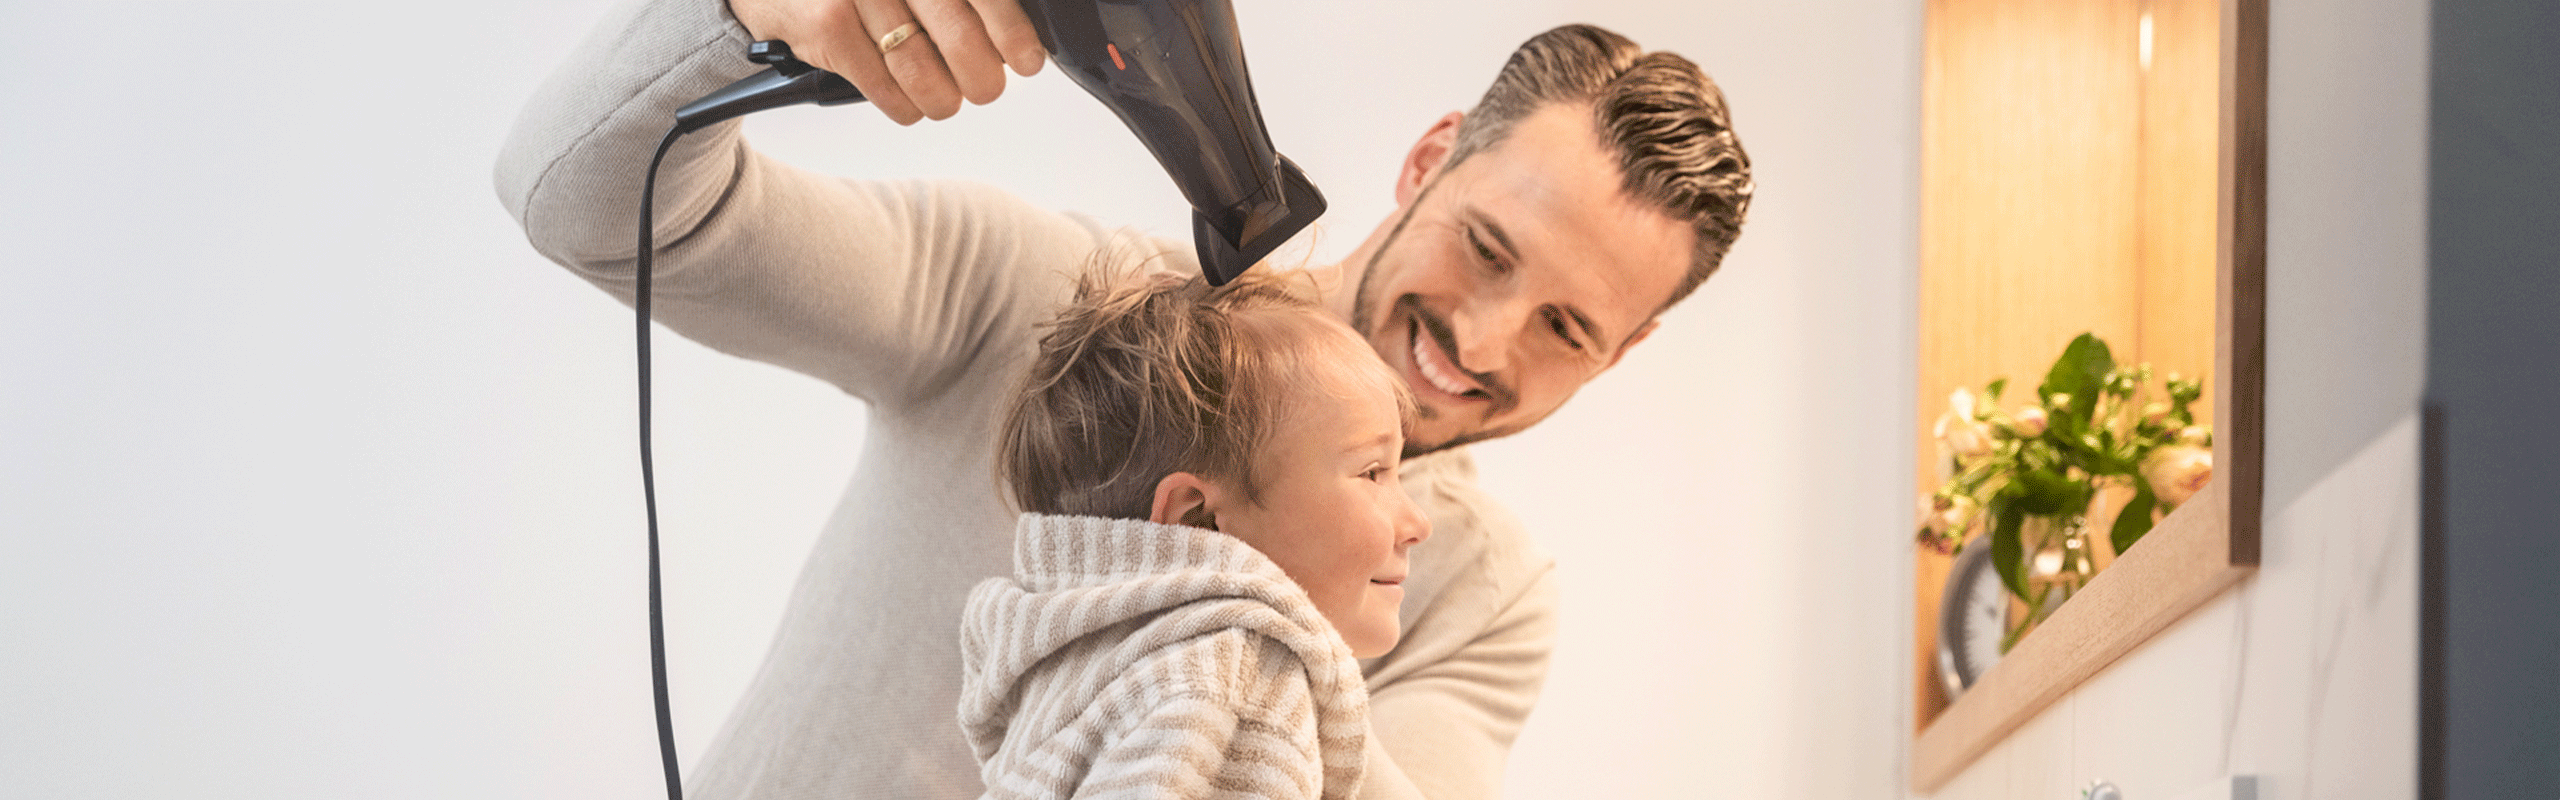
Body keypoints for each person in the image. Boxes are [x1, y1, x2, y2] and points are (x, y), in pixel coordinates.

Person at [493, 0, 1750, 795]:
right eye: (1484, 247)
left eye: (1566, 327)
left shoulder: (1479, 588)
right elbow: (581, 203)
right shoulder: (1044, 298)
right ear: (1431, 158)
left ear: (1621, 352)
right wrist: (745, 13)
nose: (1477, 339)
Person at [962, 266, 1429, 800]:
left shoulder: (1084, 675)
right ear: (1197, 521)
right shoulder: (1241, 686)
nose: (1417, 524)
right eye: (1373, 473)